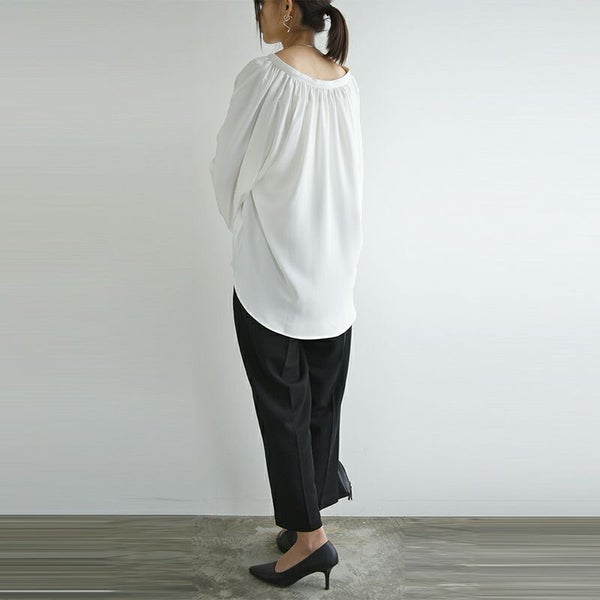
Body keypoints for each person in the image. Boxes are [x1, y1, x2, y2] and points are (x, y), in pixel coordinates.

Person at [210, 0, 363, 590]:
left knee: (284, 410)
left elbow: (229, 169)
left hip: (273, 272)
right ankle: (307, 519)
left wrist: (242, 223)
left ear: (287, 7)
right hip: (333, 272)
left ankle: (310, 542)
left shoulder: (267, 76)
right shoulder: (345, 82)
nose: (258, 18)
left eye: (261, 6)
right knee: (320, 404)